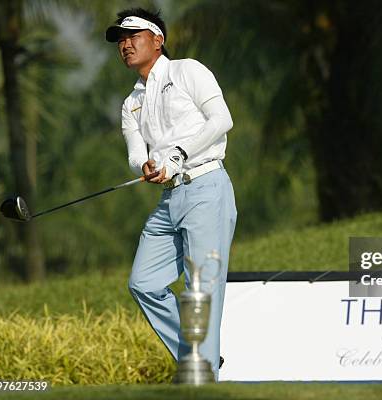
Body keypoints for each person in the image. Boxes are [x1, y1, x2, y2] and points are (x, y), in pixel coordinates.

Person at [105, 8, 237, 380]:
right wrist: (145, 166)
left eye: (132, 36)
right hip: (170, 199)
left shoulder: (188, 71)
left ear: (157, 39)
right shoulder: (130, 103)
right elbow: (136, 153)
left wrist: (179, 155)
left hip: (206, 187)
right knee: (143, 283)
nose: (125, 45)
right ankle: (197, 354)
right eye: (120, 40)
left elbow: (222, 120)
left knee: (201, 287)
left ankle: (201, 370)